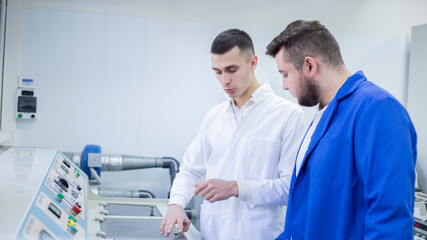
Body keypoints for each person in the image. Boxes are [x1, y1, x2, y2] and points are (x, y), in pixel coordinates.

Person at [265, 20, 417, 240]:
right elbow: (305, 213)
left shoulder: (377, 109)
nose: (284, 85)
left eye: (285, 74)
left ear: (309, 66)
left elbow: (389, 220)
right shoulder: (322, 116)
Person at [159, 29, 306, 240]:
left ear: (253, 63)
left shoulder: (288, 116)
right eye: (217, 72)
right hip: (212, 234)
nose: (224, 80)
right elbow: (189, 170)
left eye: (231, 69)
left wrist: (237, 188)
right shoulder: (214, 117)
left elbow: (289, 187)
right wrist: (176, 204)